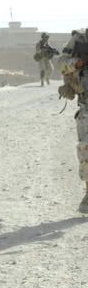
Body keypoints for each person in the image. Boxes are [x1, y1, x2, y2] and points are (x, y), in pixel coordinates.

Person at [56, 29, 88, 213]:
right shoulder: (80, 40)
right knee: (86, 150)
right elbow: (61, 64)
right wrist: (77, 63)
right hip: (86, 106)